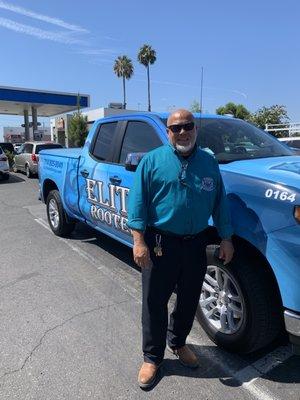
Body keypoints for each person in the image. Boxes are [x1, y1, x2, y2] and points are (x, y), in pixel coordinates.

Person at [127, 109, 234, 389]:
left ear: (195, 128)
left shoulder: (209, 162)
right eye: (176, 128)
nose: (182, 132)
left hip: (196, 243)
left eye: (187, 126)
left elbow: (220, 202)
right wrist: (139, 241)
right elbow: (137, 204)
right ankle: (152, 357)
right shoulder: (152, 162)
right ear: (168, 132)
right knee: (154, 302)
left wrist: (226, 237)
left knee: (188, 299)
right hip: (160, 242)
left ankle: (178, 342)